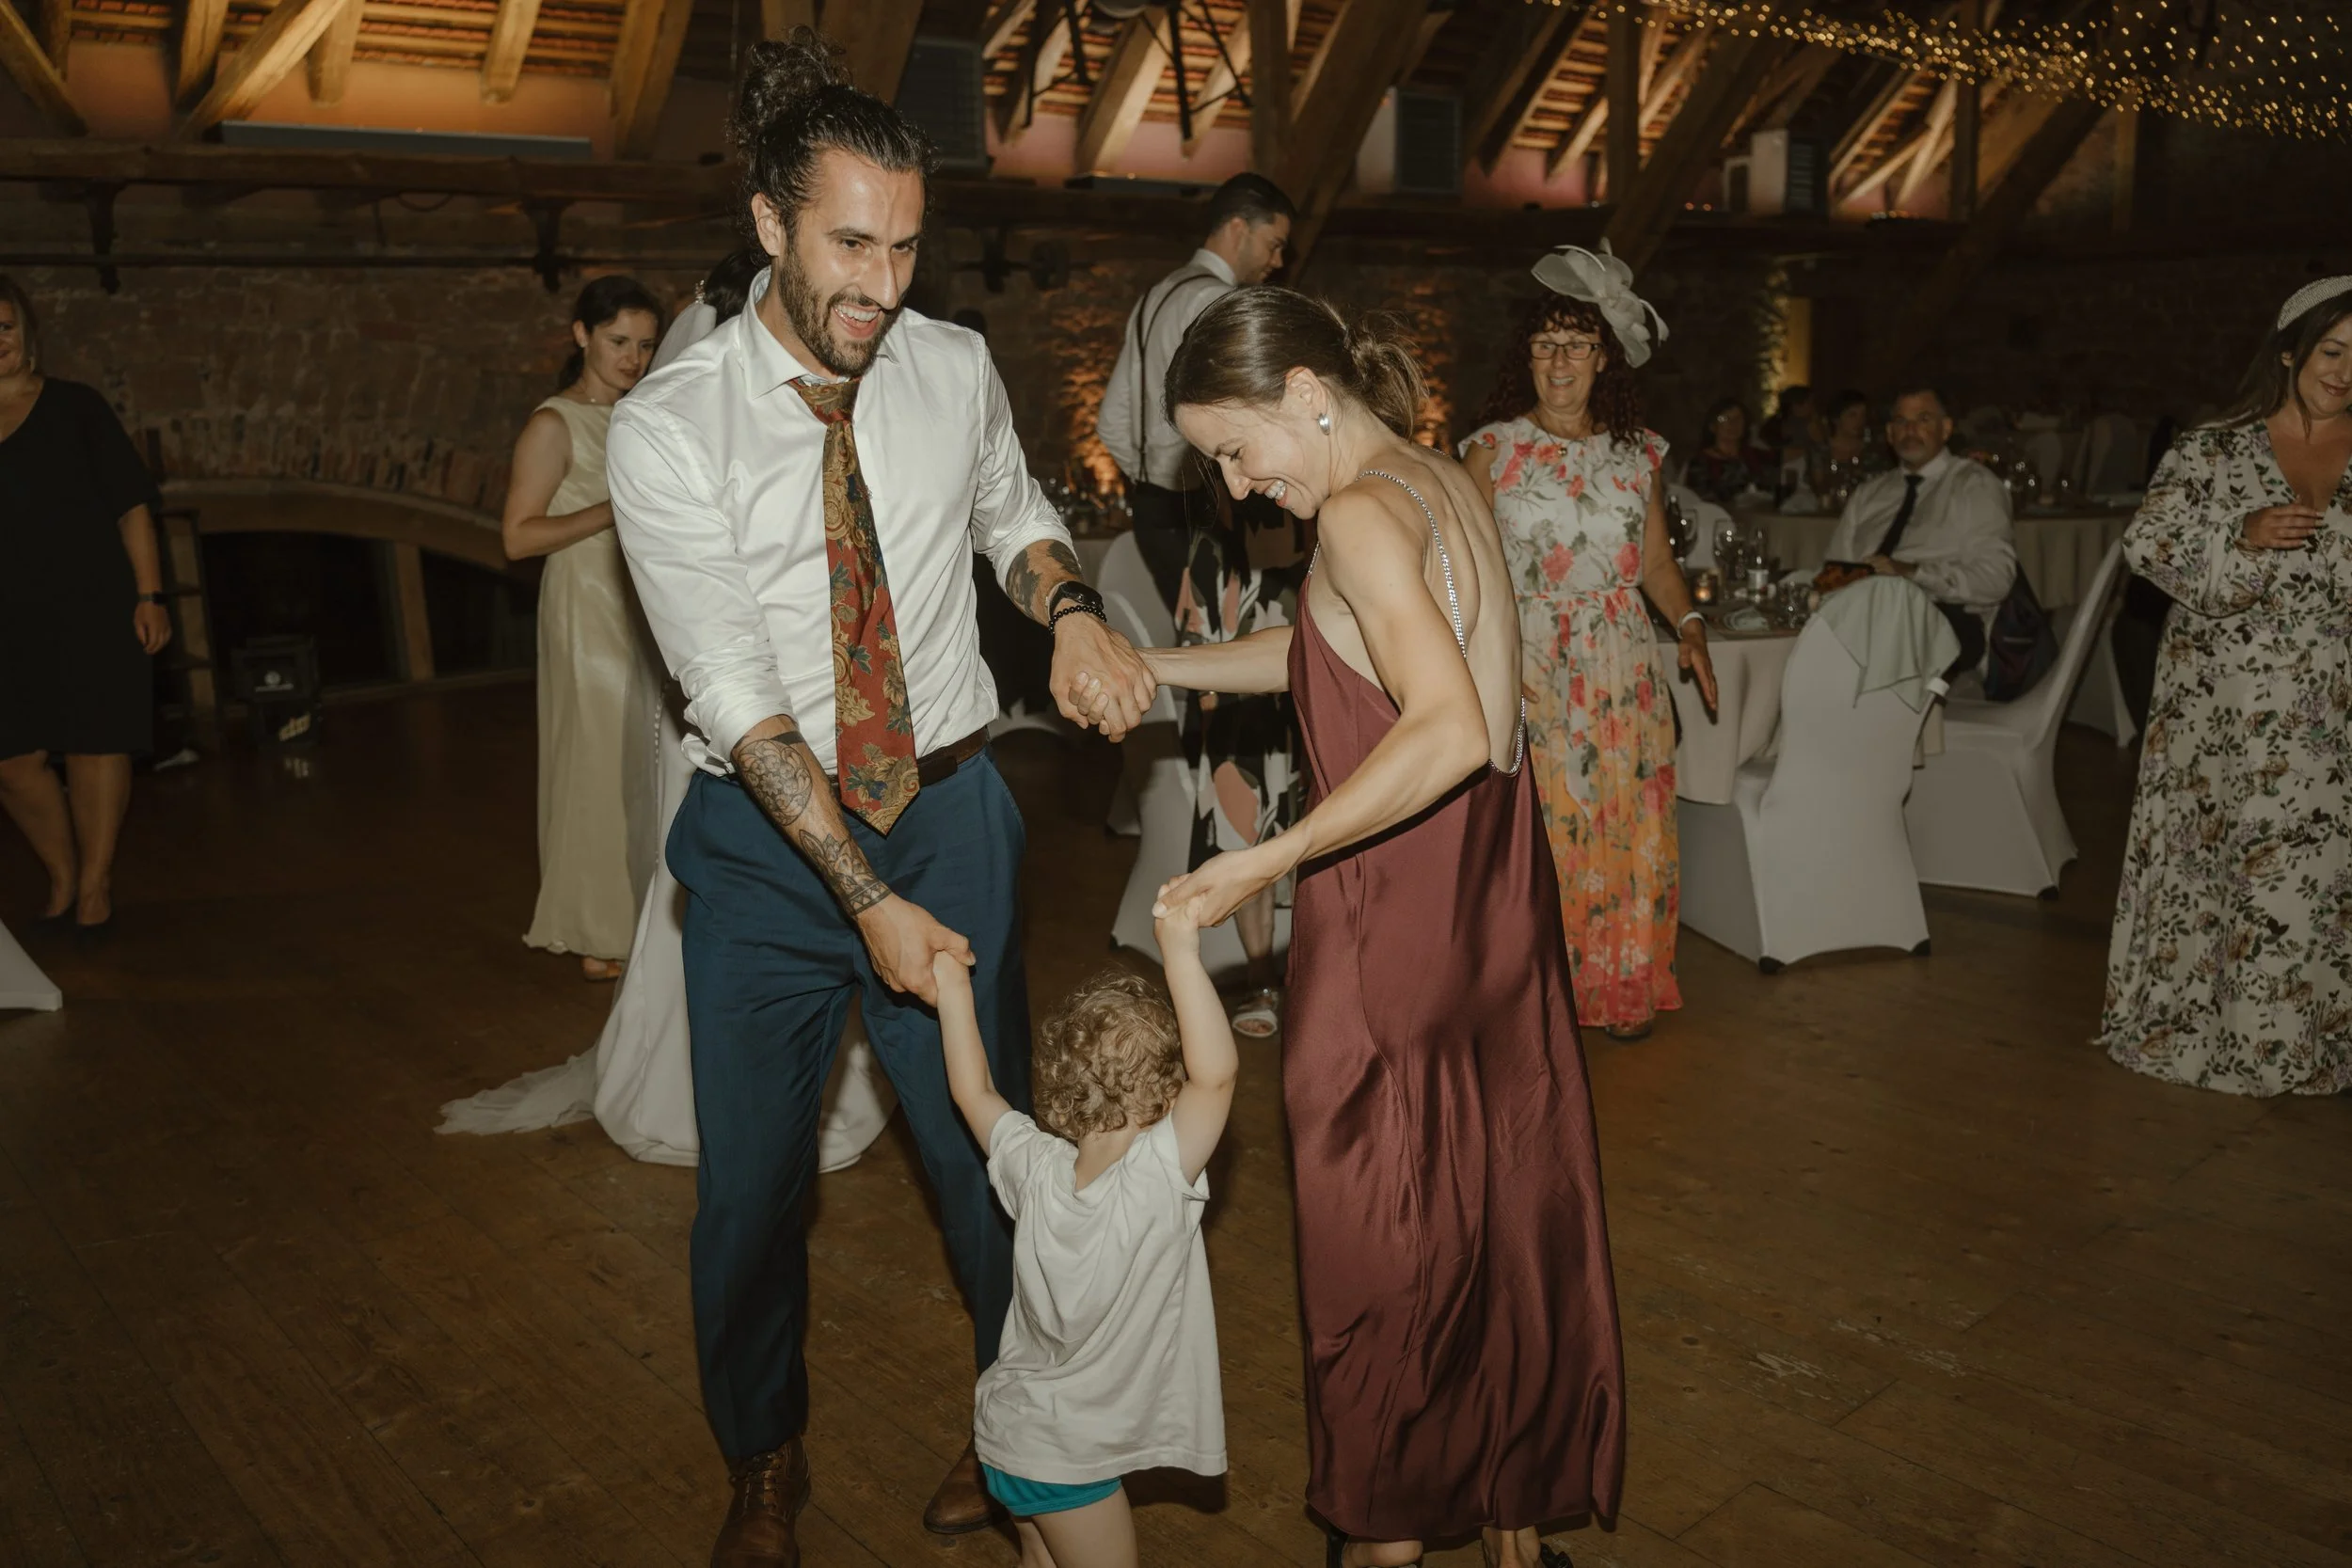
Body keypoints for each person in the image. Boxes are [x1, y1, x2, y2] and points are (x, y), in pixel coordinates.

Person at [605, 33, 1153, 1566]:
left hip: (954, 814)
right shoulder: (670, 424)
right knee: (752, 1193)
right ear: (768, 224)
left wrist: (1071, 609)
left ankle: (1019, 1429)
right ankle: (762, 1453)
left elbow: (1011, 513)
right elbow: (735, 693)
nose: (883, 284)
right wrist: (865, 896)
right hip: (768, 852)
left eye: (906, 247)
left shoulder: (951, 366)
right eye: (852, 244)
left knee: (992, 1159)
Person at [1145, 288, 1625, 1568]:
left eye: (1236, 447)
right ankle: (1509, 1524)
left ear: (1306, 391)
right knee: (1493, 1220)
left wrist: (1266, 859)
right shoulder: (1439, 476)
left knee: (1378, 1253)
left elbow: (1450, 726)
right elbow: (1335, 649)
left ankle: (1388, 1534)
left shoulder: (1357, 513)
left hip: (1388, 927)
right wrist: (1161, 668)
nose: (1237, 484)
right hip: (1492, 916)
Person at [2100, 277, 2352, 1098]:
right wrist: (2238, 533)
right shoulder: (2215, 447)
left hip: (2333, 709)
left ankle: (2310, 1040)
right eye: (2332, 350)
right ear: (2289, 352)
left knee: (2316, 875)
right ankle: (2220, 1036)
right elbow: (2147, 544)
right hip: (2222, 711)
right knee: (2226, 867)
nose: (2345, 372)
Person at [1463, 245, 1716, 1042]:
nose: (1560, 360)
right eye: (1546, 344)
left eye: (1576, 344)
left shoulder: (1639, 455)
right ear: (1527, 357)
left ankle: (1621, 980)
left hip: (1623, 665)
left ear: (1604, 357)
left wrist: (1691, 626)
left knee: (1627, 818)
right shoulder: (1493, 450)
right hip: (1532, 662)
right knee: (1545, 828)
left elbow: (1657, 564)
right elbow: (1462, 570)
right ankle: (1536, 993)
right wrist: (1486, 658)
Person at [938, 900, 1234, 1568]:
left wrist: (953, 989)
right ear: (1166, 1097)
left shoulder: (1035, 1167)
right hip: (1067, 1460)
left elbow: (973, 1091)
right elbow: (1217, 1075)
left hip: (1008, 1433)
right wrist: (1180, 949)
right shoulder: (1155, 1181)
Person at [502, 275, 666, 982]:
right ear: (581, 336)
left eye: (646, 345)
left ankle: (640, 923)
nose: (633, 358)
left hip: (638, 605)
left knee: (643, 764)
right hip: (583, 604)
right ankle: (599, 933)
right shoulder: (553, 423)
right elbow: (517, 536)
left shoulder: (642, 414)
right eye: (618, 341)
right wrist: (614, 507)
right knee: (597, 764)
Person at [0, 276, 171, 935]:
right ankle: (62, 873)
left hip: (92, 603)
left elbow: (131, 505)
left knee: (95, 743)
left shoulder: (75, 407)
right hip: (7, 618)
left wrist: (150, 595)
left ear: (25, 334)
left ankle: (94, 886)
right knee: (11, 760)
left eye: (4, 327)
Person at [1098, 172, 1295, 610]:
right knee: (1230, 636)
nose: (1278, 260)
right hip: (1205, 511)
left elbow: (1111, 420)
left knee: (1200, 635)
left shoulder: (1155, 296)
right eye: (1274, 244)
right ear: (1238, 228)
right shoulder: (1218, 302)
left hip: (1153, 513)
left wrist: (1154, 481)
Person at [1818, 386, 2017, 677]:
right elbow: (1833, 572)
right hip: (1865, 616)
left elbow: (1996, 579)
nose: (1910, 430)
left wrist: (1913, 573)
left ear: (1946, 428)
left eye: (1923, 419)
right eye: (1901, 421)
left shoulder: (1974, 485)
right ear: (1889, 433)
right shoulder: (1869, 494)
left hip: (1943, 620)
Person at [1681, 395, 1772, 503]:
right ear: (1712, 426)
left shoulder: (1754, 455)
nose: (1733, 424)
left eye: (1738, 419)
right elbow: (1701, 499)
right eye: (1724, 419)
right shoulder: (1700, 462)